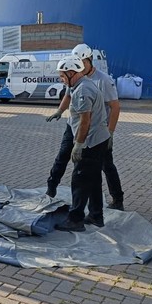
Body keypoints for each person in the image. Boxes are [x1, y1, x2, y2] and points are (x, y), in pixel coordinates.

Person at [45, 44, 125, 210]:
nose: (79, 65)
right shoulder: (74, 76)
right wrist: (60, 111)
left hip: (97, 130)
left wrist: (110, 132)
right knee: (62, 156)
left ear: (90, 60)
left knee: (105, 165)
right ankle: (51, 189)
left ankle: (117, 200)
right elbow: (68, 94)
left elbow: (115, 107)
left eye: (82, 62)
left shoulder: (103, 80)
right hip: (74, 126)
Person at [53, 56, 109, 232]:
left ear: (71, 73)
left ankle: (75, 220)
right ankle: (96, 215)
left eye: (62, 76)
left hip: (91, 142)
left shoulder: (82, 90)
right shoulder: (81, 84)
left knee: (80, 178)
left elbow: (85, 120)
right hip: (99, 139)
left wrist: (78, 145)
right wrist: (59, 111)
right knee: (93, 179)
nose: (61, 80)